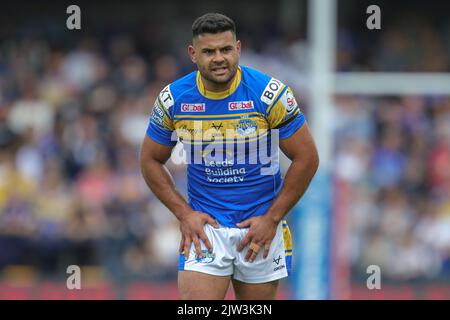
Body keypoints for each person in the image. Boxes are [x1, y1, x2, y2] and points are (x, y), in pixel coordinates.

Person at [140, 13, 319, 300]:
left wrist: (272, 219)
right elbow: (150, 159)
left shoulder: (269, 94)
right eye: (209, 52)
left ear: (238, 48)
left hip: (259, 229)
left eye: (225, 49)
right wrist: (184, 213)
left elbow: (307, 158)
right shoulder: (174, 99)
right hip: (206, 231)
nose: (218, 58)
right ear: (193, 54)